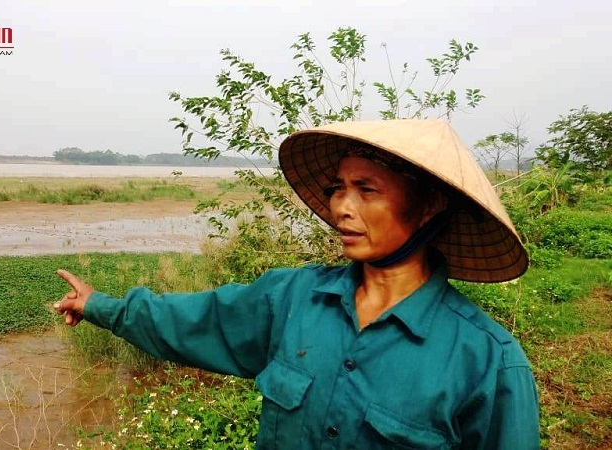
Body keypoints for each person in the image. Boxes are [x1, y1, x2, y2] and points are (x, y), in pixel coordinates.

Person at [53, 120, 540, 449]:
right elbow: (192, 320)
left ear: (430, 205)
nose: (341, 207)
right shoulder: (291, 299)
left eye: (366, 189)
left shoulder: (488, 361)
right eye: (337, 188)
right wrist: (100, 305)